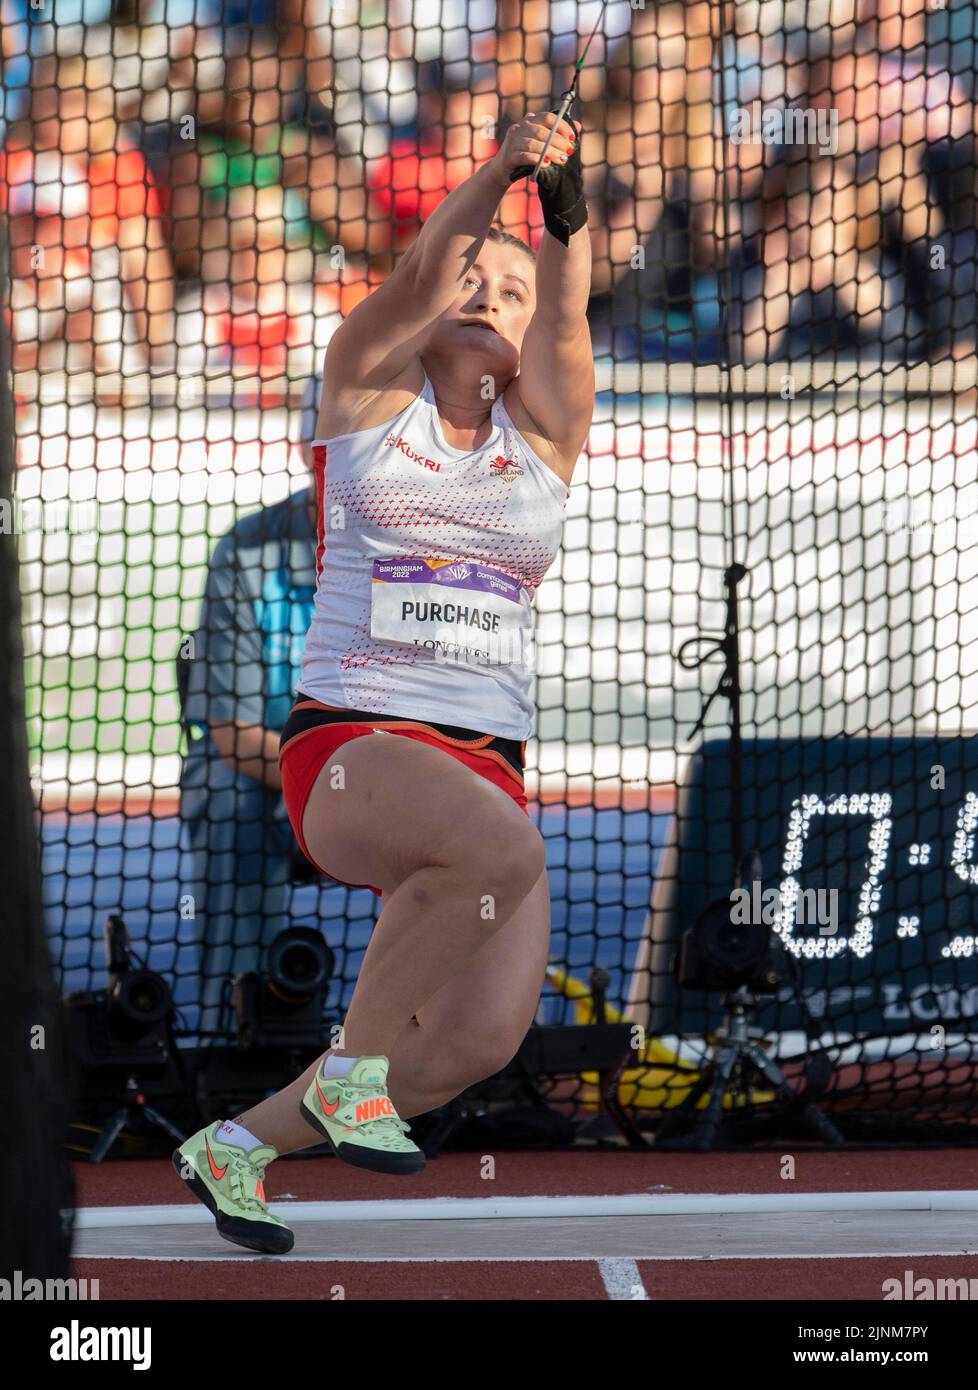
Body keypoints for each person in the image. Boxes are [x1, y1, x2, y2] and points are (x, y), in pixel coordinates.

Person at [173, 108, 594, 1253]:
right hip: (349, 748)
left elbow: (566, 318)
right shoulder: (365, 391)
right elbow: (422, 272)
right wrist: (503, 173)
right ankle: (351, 1073)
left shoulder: (546, 437)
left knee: (478, 1037)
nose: (488, 299)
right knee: (497, 854)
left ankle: (237, 1146)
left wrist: (562, 218)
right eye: (475, 278)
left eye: (511, 290)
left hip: (483, 768)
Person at [179, 394, 320, 1039]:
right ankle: (234, 1041)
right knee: (229, 798)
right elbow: (233, 738)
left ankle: (434, 1063)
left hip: (383, 780)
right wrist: (339, 791)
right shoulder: (245, 553)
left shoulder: (415, 551)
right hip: (274, 780)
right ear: (305, 452)